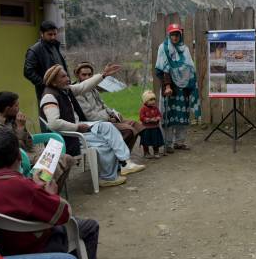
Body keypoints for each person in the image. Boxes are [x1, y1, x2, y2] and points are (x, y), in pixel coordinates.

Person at [0, 127, 100, 259]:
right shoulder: (27, 189)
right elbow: (65, 214)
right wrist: (51, 194)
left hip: (6, 250)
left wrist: (34, 185)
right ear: (19, 155)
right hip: (37, 246)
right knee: (91, 226)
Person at [40, 64, 146, 188]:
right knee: (105, 142)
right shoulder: (49, 96)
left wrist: (103, 75)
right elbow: (54, 123)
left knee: (107, 127)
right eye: (63, 76)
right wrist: (77, 127)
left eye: (66, 75)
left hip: (77, 128)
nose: (67, 79)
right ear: (54, 81)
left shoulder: (64, 89)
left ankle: (125, 162)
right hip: (69, 136)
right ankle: (107, 177)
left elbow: (83, 86)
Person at [0, 91, 74, 190]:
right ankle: (44, 191)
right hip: (24, 159)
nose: (19, 108)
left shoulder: (14, 120)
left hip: (35, 153)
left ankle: (52, 192)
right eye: (16, 105)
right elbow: (14, 149)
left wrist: (23, 128)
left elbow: (30, 144)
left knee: (68, 159)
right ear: (8, 109)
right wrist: (20, 128)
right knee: (52, 167)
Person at [74, 62, 144, 151]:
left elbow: (103, 105)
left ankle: (125, 155)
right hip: (96, 124)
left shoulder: (93, 89)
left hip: (106, 119)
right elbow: (90, 116)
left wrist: (113, 114)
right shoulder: (78, 92)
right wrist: (108, 118)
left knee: (136, 125)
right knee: (129, 130)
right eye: (84, 75)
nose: (87, 77)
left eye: (89, 74)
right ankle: (118, 155)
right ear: (77, 75)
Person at [155, 23, 201, 153]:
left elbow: (190, 67)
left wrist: (189, 82)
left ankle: (179, 142)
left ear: (180, 35)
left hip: (183, 86)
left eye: (177, 34)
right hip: (169, 87)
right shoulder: (163, 48)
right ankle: (168, 143)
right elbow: (161, 69)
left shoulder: (184, 49)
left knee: (182, 115)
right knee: (169, 115)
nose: (175, 37)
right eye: (172, 34)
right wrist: (168, 85)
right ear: (168, 35)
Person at [24, 20, 69, 102]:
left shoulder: (56, 46)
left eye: (55, 34)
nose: (53, 37)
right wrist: (45, 84)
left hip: (62, 89)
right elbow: (28, 71)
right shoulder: (35, 50)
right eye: (50, 34)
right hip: (47, 93)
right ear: (42, 33)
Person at [139, 90, 164, 159]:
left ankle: (156, 151)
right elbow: (142, 117)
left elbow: (159, 114)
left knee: (155, 140)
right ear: (146, 101)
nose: (153, 101)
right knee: (146, 141)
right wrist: (149, 119)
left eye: (154, 99)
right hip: (146, 128)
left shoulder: (155, 108)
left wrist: (157, 118)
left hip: (155, 127)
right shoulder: (143, 109)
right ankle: (146, 152)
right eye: (150, 100)